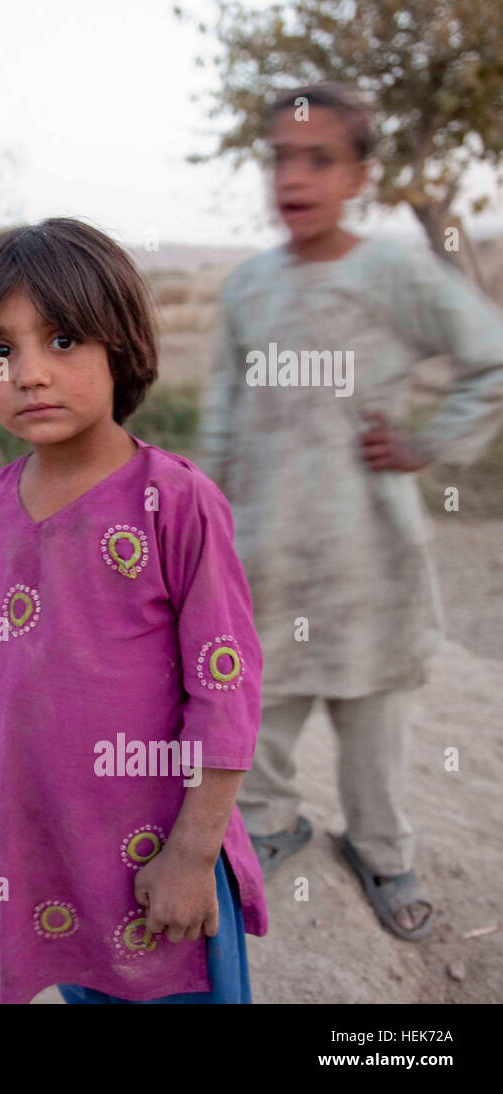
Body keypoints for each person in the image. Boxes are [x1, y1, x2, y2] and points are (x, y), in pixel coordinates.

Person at [201, 83, 503, 941]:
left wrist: (425, 444)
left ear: (361, 175)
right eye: (280, 159)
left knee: (374, 725)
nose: (294, 176)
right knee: (258, 713)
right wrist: (207, 523)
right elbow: (222, 413)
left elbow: (492, 359)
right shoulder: (249, 287)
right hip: (266, 549)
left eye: (320, 158)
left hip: (370, 554)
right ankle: (267, 825)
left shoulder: (395, 271)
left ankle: (382, 851)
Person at [0, 218, 268, 1004]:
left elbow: (225, 687)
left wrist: (193, 855)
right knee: (87, 987)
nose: (27, 372)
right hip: (51, 841)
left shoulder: (175, 501)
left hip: (157, 841)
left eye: (61, 341)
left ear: (118, 346)